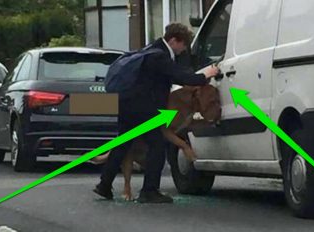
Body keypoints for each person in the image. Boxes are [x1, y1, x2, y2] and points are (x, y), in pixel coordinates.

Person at [93, 23, 220, 203]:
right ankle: (149, 191)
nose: (183, 50)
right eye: (183, 45)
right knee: (158, 145)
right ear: (174, 40)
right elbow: (182, 78)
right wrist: (206, 74)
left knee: (122, 144)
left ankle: (104, 186)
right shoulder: (159, 56)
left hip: (126, 103)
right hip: (144, 107)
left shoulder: (149, 50)